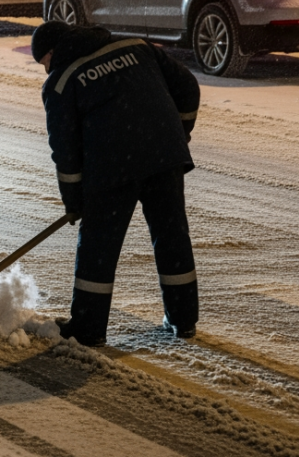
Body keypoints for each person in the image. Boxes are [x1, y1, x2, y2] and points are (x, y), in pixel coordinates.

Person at [31, 21, 201, 346]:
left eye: (44, 63)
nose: (46, 70)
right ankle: (183, 320)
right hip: (164, 155)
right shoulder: (136, 46)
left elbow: (65, 151)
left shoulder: (62, 82)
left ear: (52, 53)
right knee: (171, 237)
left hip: (112, 169)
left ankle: (88, 328)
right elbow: (188, 86)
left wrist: (74, 201)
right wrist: (180, 132)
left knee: (98, 248)